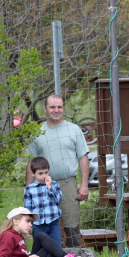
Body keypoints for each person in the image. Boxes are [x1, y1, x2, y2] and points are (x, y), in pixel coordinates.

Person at [26, 95, 89, 249]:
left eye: (59, 107)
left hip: (68, 183)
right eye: (52, 107)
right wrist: (29, 188)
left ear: (63, 108)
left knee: (71, 227)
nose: (56, 110)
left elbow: (83, 158)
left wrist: (84, 185)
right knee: (43, 225)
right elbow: (30, 163)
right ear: (45, 109)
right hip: (42, 186)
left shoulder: (73, 129)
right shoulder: (37, 132)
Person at [23, 157, 65, 257]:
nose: (44, 176)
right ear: (33, 174)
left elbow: (58, 200)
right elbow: (28, 210)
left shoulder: (54, 185)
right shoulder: (29, 189)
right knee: (40, 249)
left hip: (53, 222)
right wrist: (28, 225)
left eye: (46, 172)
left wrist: (49, 187)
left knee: (56, 246)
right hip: (38, 224)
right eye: (40, 173)